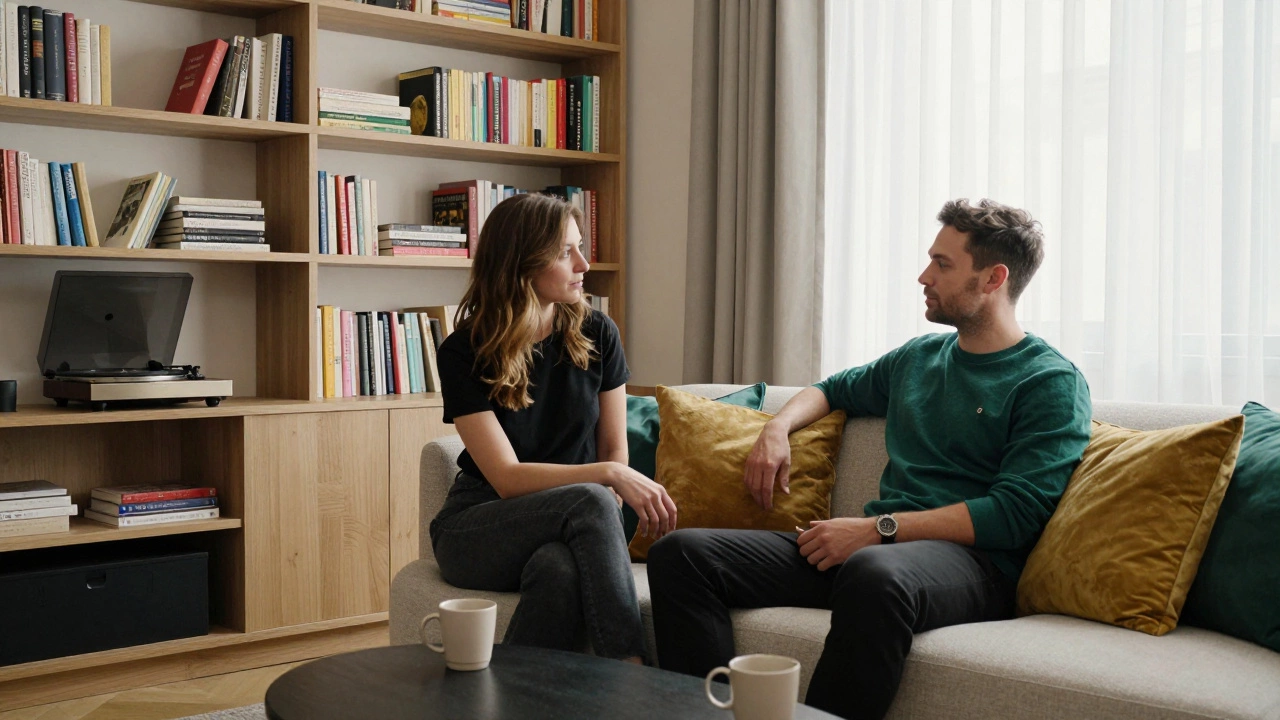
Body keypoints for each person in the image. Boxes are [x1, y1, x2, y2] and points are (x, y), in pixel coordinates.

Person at [647, 199, 1093, 719]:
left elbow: (1014, 515)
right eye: (931, 259)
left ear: (994, 279)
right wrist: (777, 427)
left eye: (943, 265)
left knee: (875, 574)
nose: (924, 275)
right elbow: (833, 390)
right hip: (874, 552)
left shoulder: (1050, 382)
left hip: (973, 567)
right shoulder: (920, 358)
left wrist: (877, 530)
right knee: (682, 555)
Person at [430, 192, 677, 664]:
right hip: (477, 525)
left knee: (559, 570)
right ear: (522, 262)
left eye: (579, 246)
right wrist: (605, 476)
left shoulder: (598, 333)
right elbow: (506, 478)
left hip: (567, 527)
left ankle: (505, 701)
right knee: (592, 495)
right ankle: (631, 676)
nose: (584, 263)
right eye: (566, 252)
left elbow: (613, 447)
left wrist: (609, 475)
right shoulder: (464, 351)